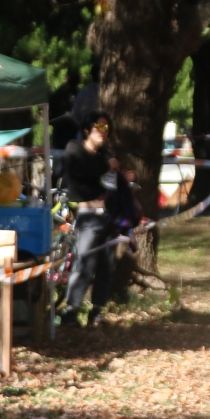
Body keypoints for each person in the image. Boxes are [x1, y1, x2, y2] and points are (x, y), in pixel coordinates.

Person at [60, 111, 134, 327]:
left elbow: (111, 184)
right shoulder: (74, 149)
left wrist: (126, 178)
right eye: (98, 128)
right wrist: (108, 166)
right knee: (84, 263)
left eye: (106, 129)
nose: (103, 132)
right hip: (87, 217)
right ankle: (70, 311)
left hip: (107, 218)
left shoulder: (105, 156)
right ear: (86, 130)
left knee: (105, 266)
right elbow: (83, 171)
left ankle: (97, 312)